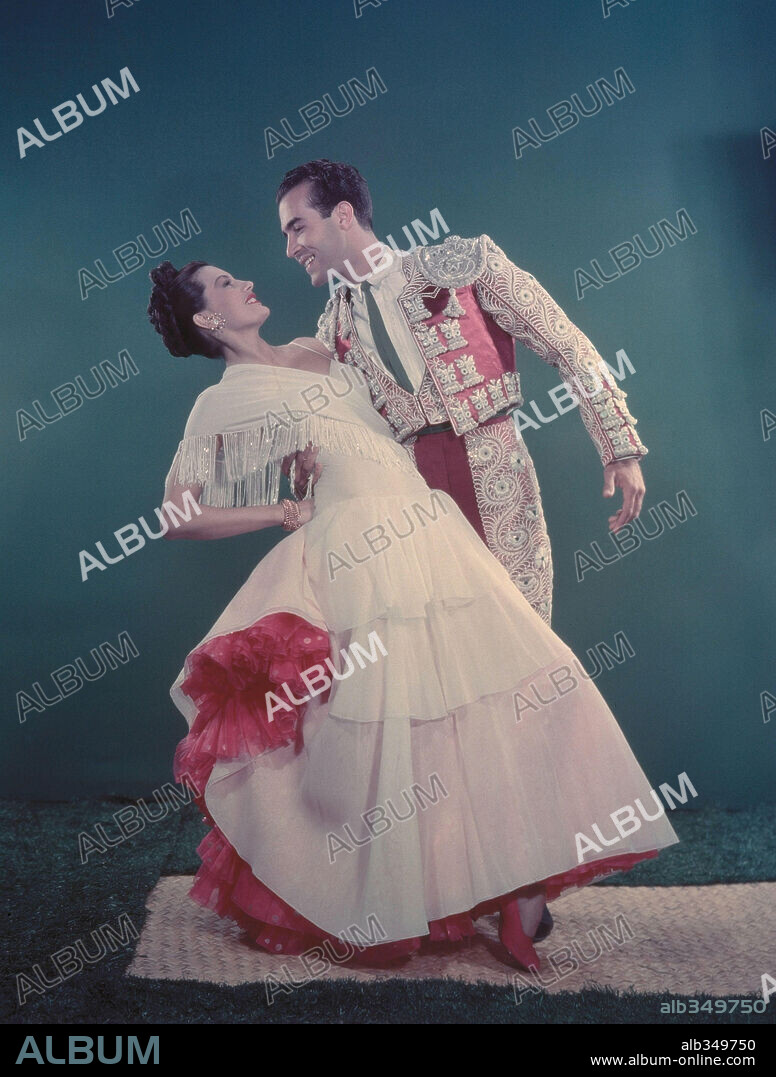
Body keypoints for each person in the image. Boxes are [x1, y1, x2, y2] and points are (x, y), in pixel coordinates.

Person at [148, 258, 678, 970]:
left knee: (503, 694)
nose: (246, 279)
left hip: (429, 530)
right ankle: (388, 897)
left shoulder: (317, 348)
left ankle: (517, 892)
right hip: (355, 552)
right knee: (387, 732)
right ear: (207, 319)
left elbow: (392, 408)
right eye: (222, 283)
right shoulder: (224, 400)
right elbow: (178, 514)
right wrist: (280, 508)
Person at [277, 160, 647, 628]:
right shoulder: (332, 331)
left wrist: (619, 448)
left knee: (522, 634)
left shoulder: (462, 264)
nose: (290, 248)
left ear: (344, 214)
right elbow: (345, 434)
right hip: (408, 496)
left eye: (297, 228)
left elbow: (567, 346)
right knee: (447, 654)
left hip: (495, 466)